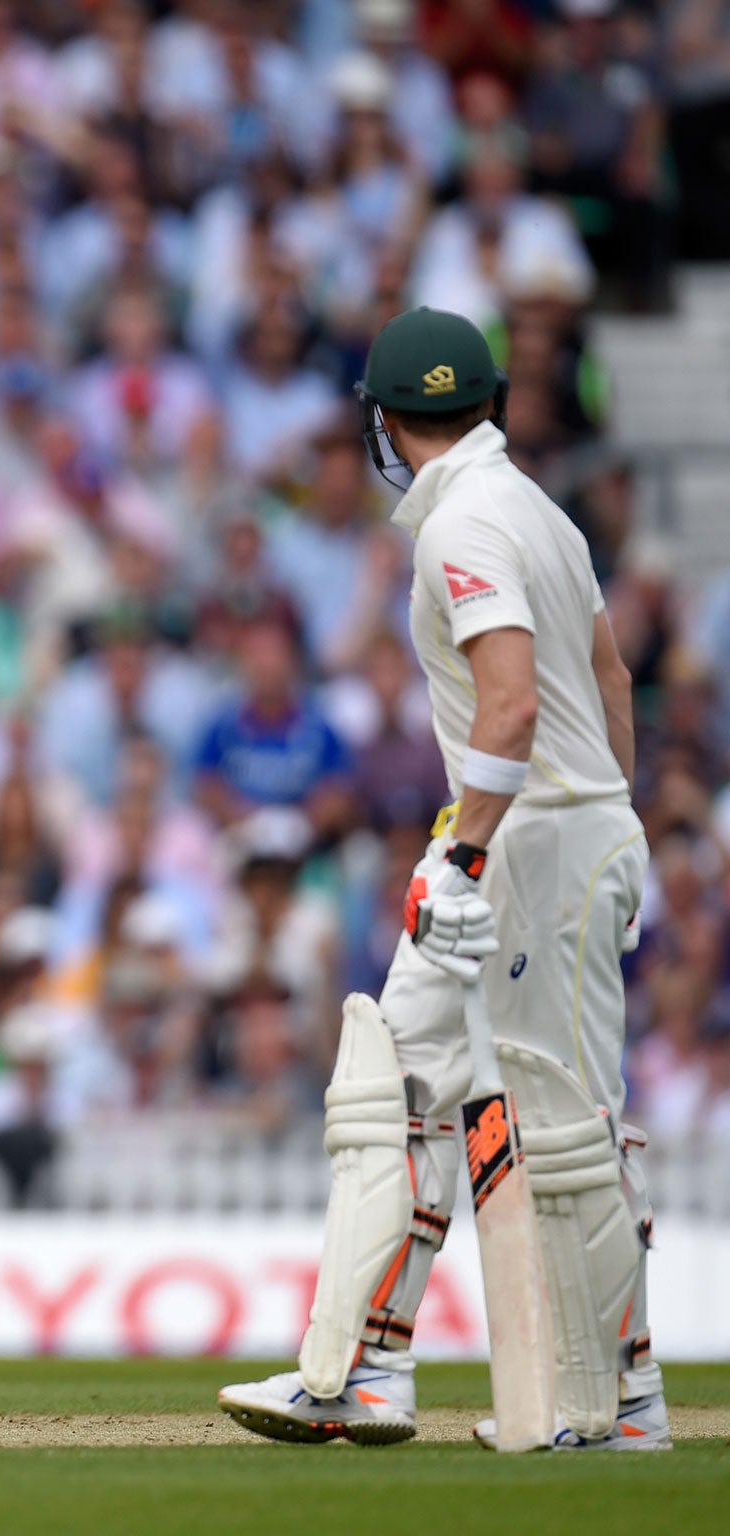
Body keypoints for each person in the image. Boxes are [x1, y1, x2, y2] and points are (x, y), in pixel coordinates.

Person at [221, 308, 662, 1451]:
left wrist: (477, 853)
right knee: (393, 1087)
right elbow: (607, 679)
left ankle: (613, 1400)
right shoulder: (539, 513)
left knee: (561, 1127)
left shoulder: (463, 521)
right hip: (543, 834)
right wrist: (606, 819)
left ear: (381, 423)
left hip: (522, 847)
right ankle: (362, 1368)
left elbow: (510, 701)